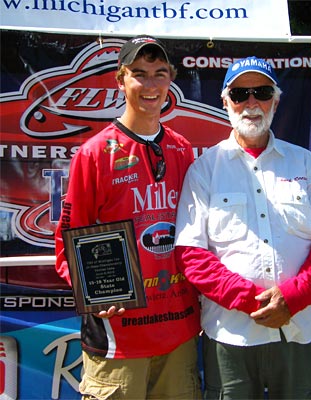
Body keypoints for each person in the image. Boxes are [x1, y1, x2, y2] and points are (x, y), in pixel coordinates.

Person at [174, 56, 311, 400]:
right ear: (225, 102)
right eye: (240, 93)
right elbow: (191, 254)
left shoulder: (305, 163)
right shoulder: (204, 169)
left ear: (276, 100)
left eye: (262, 92)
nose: (251, 103)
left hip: (299, 329)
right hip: (231, 336)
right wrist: (252, 301)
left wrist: (293, 298)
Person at [55, 35, 202, 399]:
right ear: (120, 80)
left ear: (171, 80)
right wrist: (93, 290)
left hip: (179, 334)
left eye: (159, 73)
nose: (150, 85)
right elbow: (68, 243)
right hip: (117, 337)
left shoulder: (182, 149)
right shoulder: (94, 154)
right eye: (139, 74)